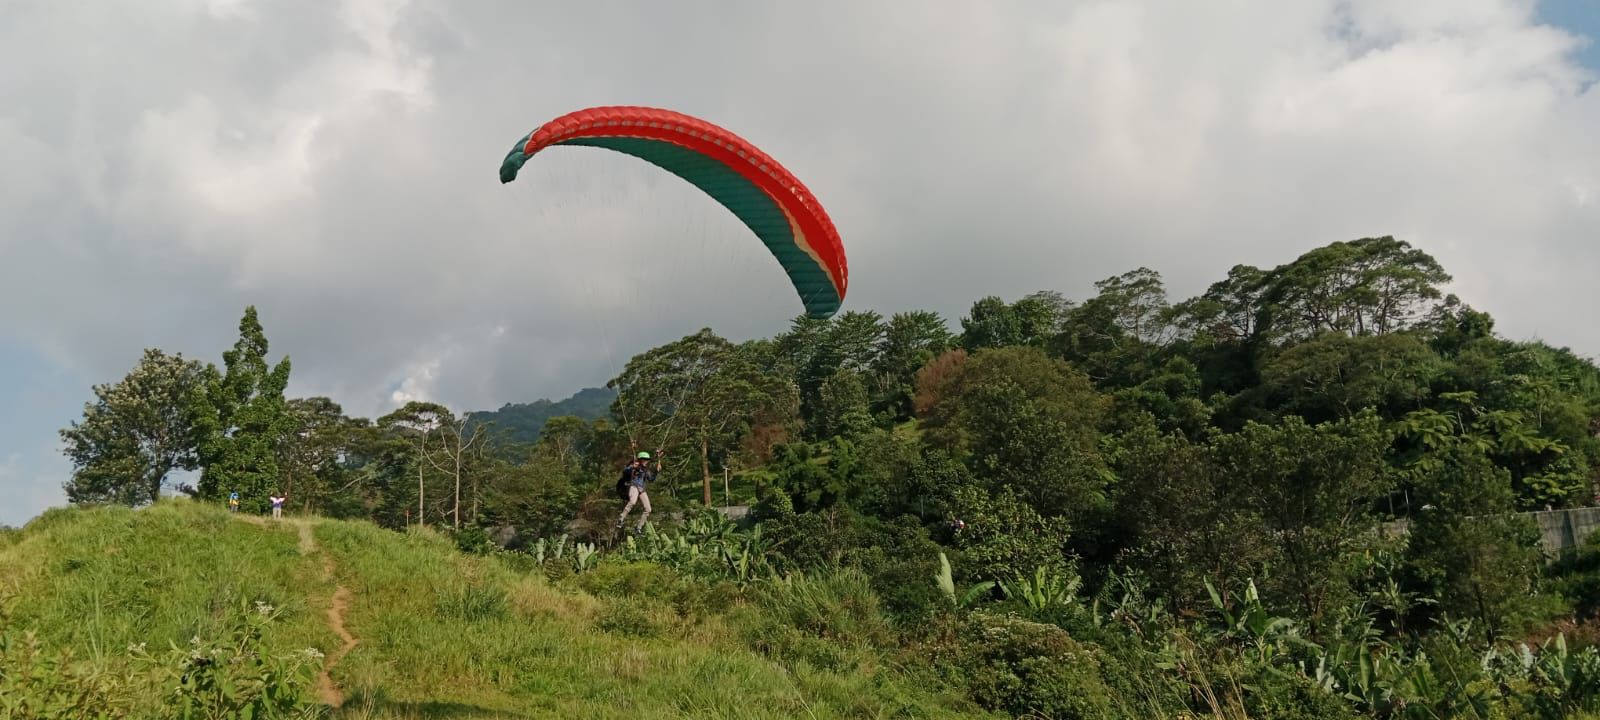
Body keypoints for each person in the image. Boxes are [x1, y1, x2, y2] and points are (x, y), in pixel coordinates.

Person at [616, 448, 662, 534]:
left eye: (646, 460)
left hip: (641, 489)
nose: (645, 461)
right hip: (633, 486)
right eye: (644, 459)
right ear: (640, 460)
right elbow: (625, 471)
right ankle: (620, 519)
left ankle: (639, 527)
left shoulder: (645, 470)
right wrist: (633, 467)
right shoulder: (634, 466)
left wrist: (656, 471)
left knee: (648, 509)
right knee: (633, 502)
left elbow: (651, 479)